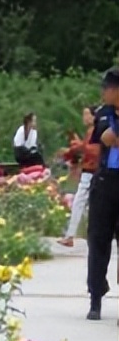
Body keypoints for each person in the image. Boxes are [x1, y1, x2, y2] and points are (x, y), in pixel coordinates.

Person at [85, 67, 119, 321]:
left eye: (106, 88)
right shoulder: (103, 114)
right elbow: (99, 138)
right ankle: (95, 296)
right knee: (98, 240)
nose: (103, 93)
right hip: (106, 181)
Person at [59, 106, 99, 247]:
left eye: (87, 114)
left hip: (92, 172)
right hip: (90, 172)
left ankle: (71, 236)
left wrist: (79, 147)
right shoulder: (91, 132)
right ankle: (88, 236)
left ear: (94, 116)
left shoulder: (96, 131)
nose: (84, 117)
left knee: (80, 203)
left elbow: (94, 151)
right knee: (87, 205)